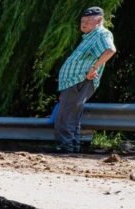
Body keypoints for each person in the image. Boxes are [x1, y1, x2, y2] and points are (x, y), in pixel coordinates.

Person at [54, 6, 118, 153]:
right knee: (71, 114)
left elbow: (110, 50)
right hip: (74, 82)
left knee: (66, 114)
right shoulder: (91, 36)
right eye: (83, 20)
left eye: (89, 20)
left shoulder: (101, 34)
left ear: (100, 20)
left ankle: (66, 147)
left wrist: (94, 68)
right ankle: (71, 146)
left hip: (80, 80)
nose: (84, 23)